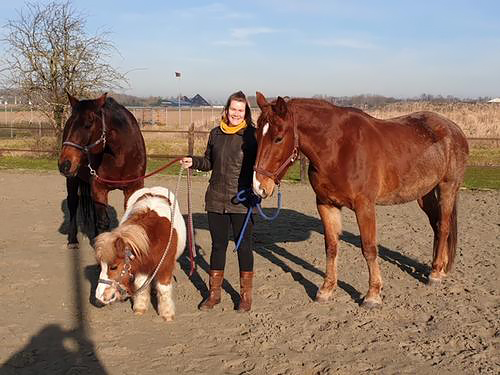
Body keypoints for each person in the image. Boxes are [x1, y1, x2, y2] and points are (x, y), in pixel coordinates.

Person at [180, 91, 257, 312]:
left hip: (241, 201)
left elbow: (262, 166)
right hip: (215, 199)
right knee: (218, 246)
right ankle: (214, 294)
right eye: (233, 109)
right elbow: (208, 162)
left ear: (246, 113)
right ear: (226, 110)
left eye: (240, 110)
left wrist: (259, 190)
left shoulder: (252, 136)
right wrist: (192, 161)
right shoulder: (215, 134)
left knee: (244, 247)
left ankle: (245, 296)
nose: (236, 113)